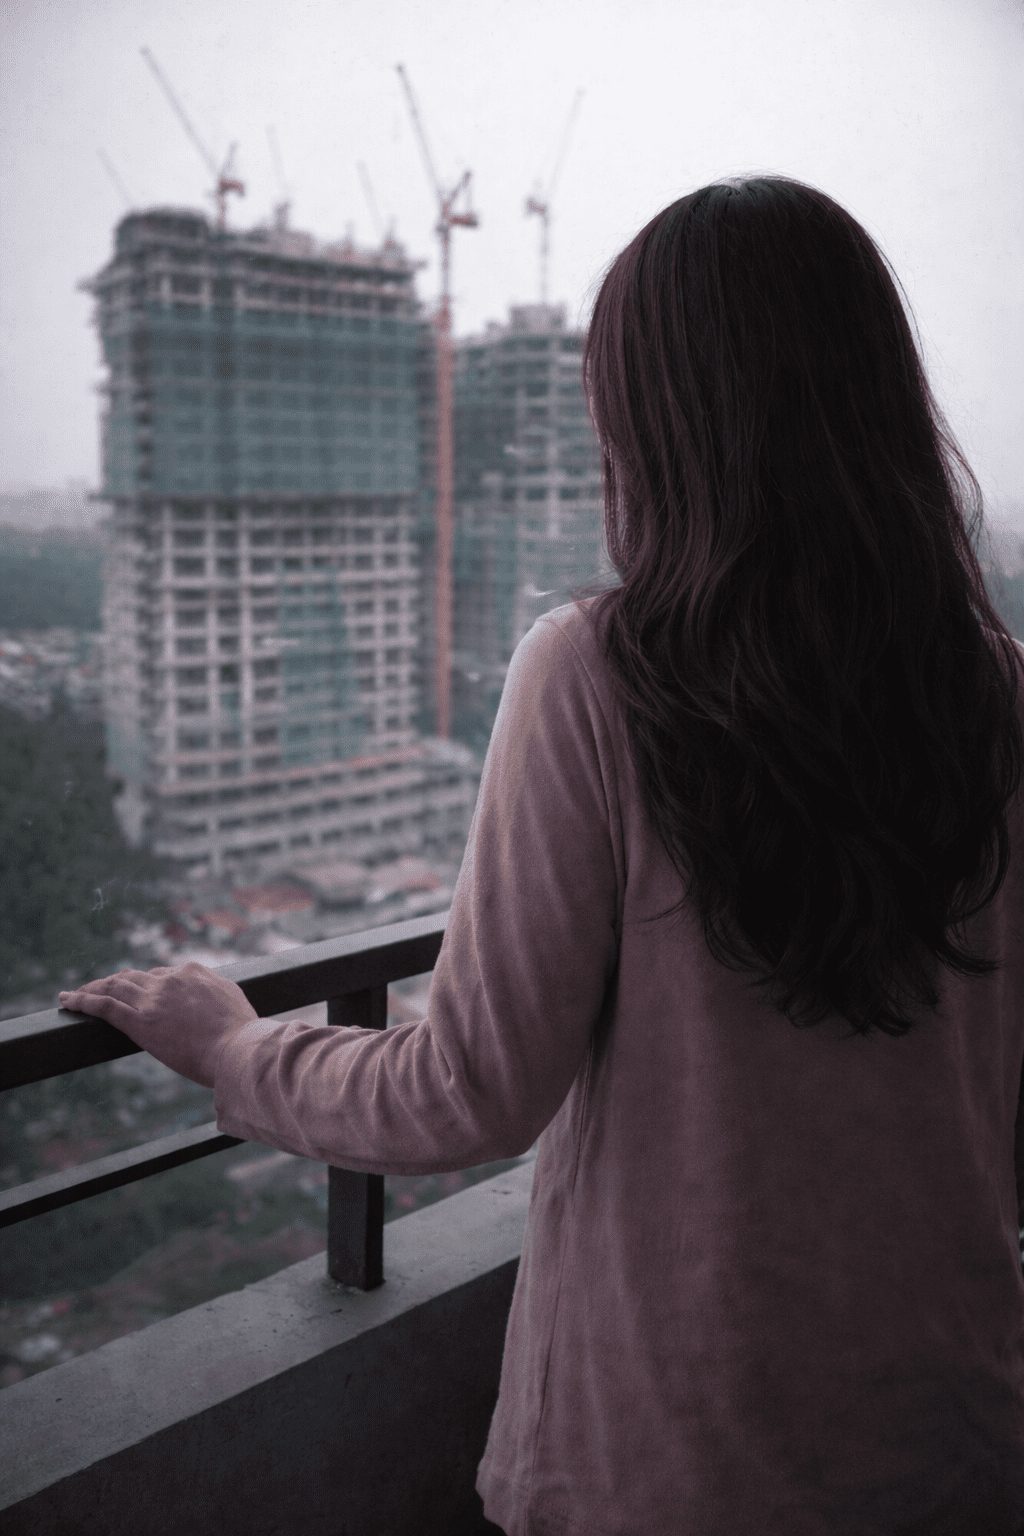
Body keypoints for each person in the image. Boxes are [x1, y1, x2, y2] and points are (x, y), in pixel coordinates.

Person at [58, 174, 1024, 1535]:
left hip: (682, 1465)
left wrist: (233, 1046)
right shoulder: (1000, 696)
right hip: (951, 1440)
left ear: (659, 423)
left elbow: (466, 1092)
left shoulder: (601, 677)